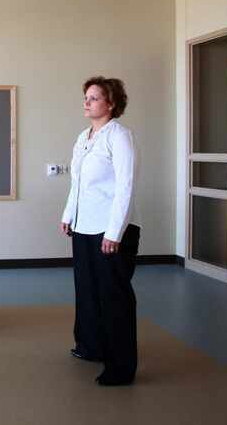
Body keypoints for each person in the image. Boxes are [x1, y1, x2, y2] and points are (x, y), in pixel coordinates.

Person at [60, 76, 140, 386]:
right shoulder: (85, 136)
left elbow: (126, 187)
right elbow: (77, 182)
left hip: (111, 230)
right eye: (86, 97)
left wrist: (114, 232)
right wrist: (69, 215)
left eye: (94, 98)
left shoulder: (119, 136)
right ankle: (90, 346)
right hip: (84, 227)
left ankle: (121, 367)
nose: (87, 102)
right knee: (87, 291)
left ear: (112, 103)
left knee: (114, 298)